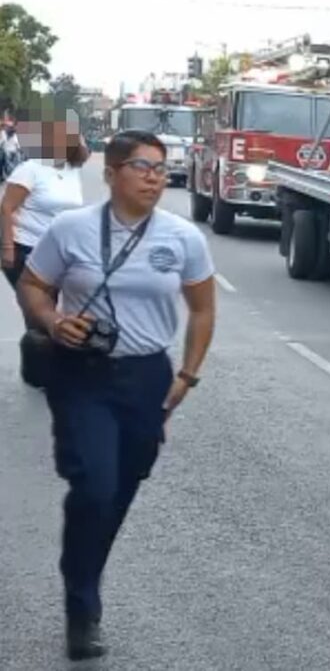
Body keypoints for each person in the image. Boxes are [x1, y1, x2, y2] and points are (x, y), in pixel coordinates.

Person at [16, 130, 217, 661]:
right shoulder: (71, 229)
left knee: (121, 488)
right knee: (96, 487)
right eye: (142, 165)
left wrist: (187, 376)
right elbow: (32, 284)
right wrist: (52, 320)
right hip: (81, 374)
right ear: (111, 173)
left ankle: (85, 568)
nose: (155, 176)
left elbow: (202, 310)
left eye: (160, 167)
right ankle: (82, 608)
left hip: (147, 376)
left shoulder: (182, 238)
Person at [2, 112, 89, 386]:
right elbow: (5, 208)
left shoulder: (71, 170)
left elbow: (83, 152)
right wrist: (6, 247)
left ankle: (53, 365)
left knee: (63, 309)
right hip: (25, 248)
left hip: (62, 253)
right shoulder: (31, 168)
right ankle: (39, 372)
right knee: (39, 312)